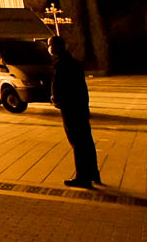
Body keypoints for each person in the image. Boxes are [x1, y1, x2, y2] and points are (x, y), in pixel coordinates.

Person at [49, 35, 100, 188]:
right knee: (86, 142)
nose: (49, 48)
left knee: (78, 143)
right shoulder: (73, 63)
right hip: (81, 107)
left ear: (56, 47)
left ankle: (83, 177)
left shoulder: (61, 64)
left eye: (50, 45)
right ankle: (93, 173)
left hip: (70, 109)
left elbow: (60, 87)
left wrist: (56, 100)